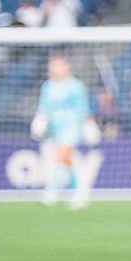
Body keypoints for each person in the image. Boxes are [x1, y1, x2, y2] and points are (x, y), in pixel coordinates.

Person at [32, 54, 97, 210]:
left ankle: (51, 191)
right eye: (52, 66)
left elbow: (83, 108)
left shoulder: (75, 86)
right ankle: (80, 193)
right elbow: (44, 107)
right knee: (67, 161)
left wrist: (89, 125)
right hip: (56, 129)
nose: (53, 69)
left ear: (66, 67)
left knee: (60, 156)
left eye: (57, 66)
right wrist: (40, 120)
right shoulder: (48, 86)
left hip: (72, 127)